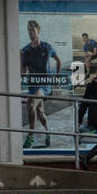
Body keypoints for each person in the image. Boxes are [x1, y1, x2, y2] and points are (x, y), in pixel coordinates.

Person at [20, 20, 61, 148]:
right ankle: (48, 132)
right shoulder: (25, 50)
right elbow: (24, 70)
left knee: (31, 103)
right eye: (28, 30)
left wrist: (56, 78)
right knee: (40, 113)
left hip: (44, 84)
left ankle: (30, 136)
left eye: (32, 30)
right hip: (33, 85)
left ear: (38, 31)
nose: (30, 33)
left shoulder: (47, 47)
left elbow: (58, 60)